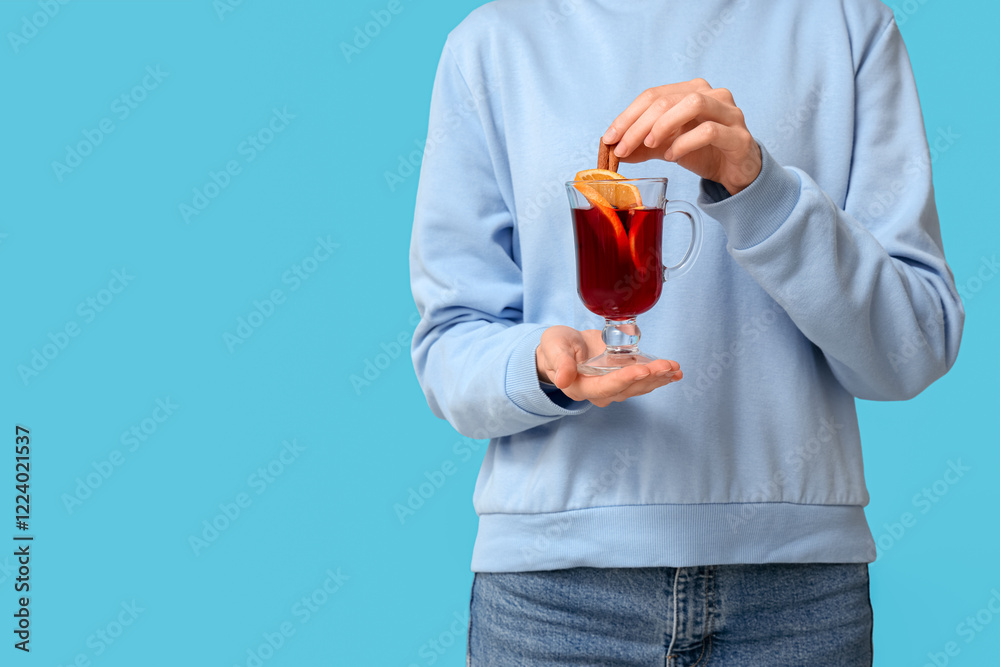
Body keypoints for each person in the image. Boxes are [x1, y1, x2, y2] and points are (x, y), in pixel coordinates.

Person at [408, 0, 964, 664]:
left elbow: (913, 347)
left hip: (797, 598)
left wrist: (760, 186)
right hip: (552, 602)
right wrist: (538, 366)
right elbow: (448, 345)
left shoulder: (847, 25)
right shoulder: (491, 46)